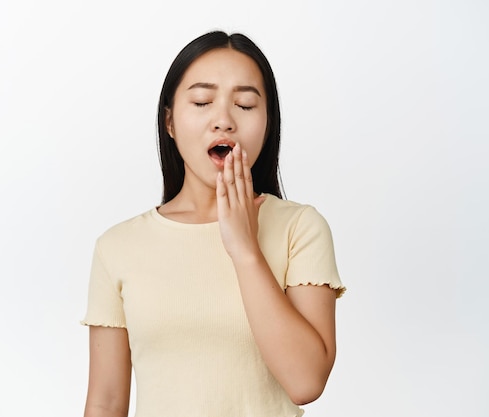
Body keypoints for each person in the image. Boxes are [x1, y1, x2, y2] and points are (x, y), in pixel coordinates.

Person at [81, 30, 345, 417]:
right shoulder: (117, 246)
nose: (223, 120)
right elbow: (105, 402)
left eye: (245, 105)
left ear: (268, 123)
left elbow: (306, 382)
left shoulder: (300, 229)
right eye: (203, 101)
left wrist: (245, 250)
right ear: (169, 122)